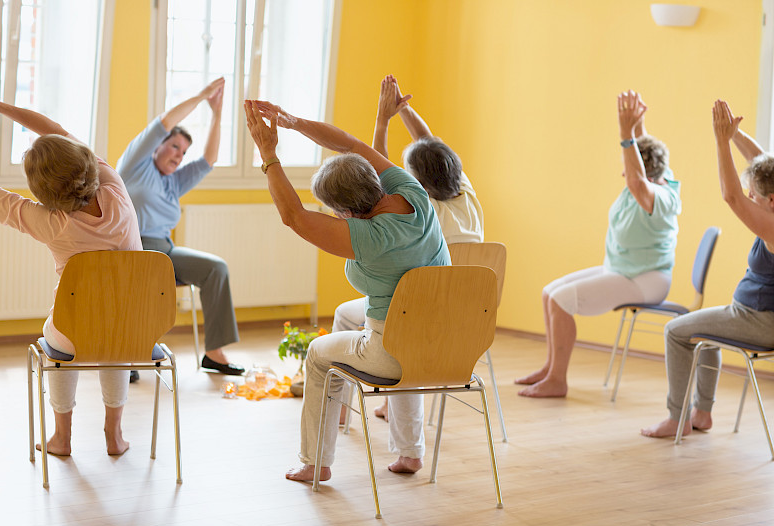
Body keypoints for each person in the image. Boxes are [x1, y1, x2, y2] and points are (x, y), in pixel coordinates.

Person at [244, 98, 450, 482]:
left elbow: (293, 216)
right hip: (445, 337)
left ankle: (314, 461)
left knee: (319, 354)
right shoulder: (413, 194)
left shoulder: (368, 237)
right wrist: (292, 122)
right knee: (351, 316)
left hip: (396, 352)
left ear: (346, 213)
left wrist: (268, 154)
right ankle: (408, 452)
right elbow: (351, 145)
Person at [0, 89, 141, 456]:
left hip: (74, 334)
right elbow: (55, 129)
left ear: (42, 190)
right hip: (134, 326)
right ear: (86, 163)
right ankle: (114, 435)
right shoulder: (116, 188)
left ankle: (61, 438)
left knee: (62, 341)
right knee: (114, 343)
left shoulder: (50, 222)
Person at [331, 75, 484, 475]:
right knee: (382, 324)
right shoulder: (466, 195)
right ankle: (379, 405)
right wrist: (405, 111)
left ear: (416, 181)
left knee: (376, 324)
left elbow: (376, 168)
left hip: (416, 316)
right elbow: (434, 148)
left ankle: (345, 409)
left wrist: (383, 121)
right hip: (469, 319)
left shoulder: (417, 212)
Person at [515, 90, 681, 398]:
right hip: (621, 269)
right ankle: (551, 367)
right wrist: (637, 122)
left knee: (563, 301)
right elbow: (645, 158)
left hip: (645, 279)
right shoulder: (658, 175)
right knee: (549, 293)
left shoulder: (659, 195)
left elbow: (636, 179)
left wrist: (625, 134)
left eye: (626, 162)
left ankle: (558, 380)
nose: (623, 167)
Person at [642, 101, 774, 438]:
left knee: (675, 331)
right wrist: (735, 135)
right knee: (704, 335)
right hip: (754, 316)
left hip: (758, 321)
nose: (749, 195)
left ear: (771, 201)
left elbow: (732, 196)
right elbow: (762, 166)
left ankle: (678, 419)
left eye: (755, 195)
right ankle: (701, 414)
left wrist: (720, 141)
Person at [117, 78, 243, 377]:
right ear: (155, 146)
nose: (179, 155)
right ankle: (130, 351)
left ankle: (213, 353)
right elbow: (164, 122)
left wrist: (216, 114)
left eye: (184, 152)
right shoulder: (135, 165)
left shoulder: (174, 182)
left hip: (166, 251)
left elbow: (209, 159)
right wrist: (201, 96)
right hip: (134, 251)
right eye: (174, 146)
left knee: (216, 268)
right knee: (147, 279)